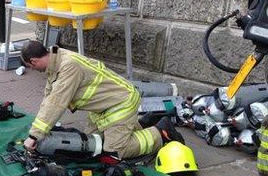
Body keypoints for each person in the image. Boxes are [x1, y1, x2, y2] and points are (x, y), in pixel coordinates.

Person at [21, 41, 184, 159]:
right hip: (105, 106)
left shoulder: (68, 67)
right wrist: (38, 128)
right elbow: (48, 99)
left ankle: (162, 132)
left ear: (33, 61)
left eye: (31, 67)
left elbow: (55, 103)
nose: (33, 70)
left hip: (121, 104)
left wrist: (34, 136)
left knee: (114, 151)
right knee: (92, 144)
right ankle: (143, 123)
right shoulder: (55, 60)